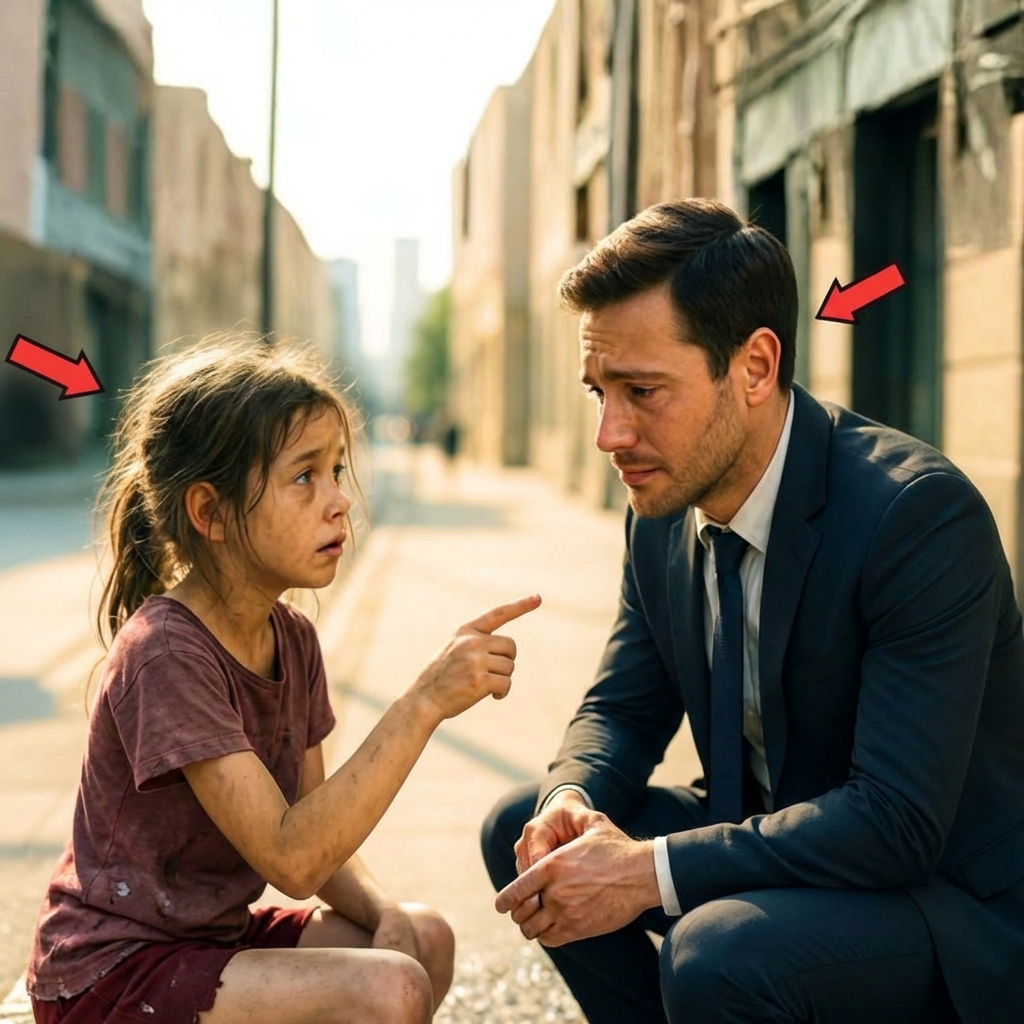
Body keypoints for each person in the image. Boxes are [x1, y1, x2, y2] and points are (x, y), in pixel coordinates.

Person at [481, 198, 1024, 1024]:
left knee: (718, 952)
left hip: (940, 901)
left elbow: (895, 822)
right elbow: (621, 708)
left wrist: (646, 870)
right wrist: (572, 800)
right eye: (599, 392)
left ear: (756, 367)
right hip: (772, 843)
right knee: (524, 836)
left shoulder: (914, 516)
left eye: (641, 391)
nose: (609, 434)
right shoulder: (661, 512)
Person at [27, 337, 540, 1024]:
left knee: (425, 940)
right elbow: (292, 858)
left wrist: (386, 913)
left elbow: (320, 839)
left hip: (209, 941)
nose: (339, 502)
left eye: (337, 470)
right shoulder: (166, 652)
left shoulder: (291, 638)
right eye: (305, 477)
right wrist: (423, 703)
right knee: (390, 987)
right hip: (110, 972)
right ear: (208, 512)